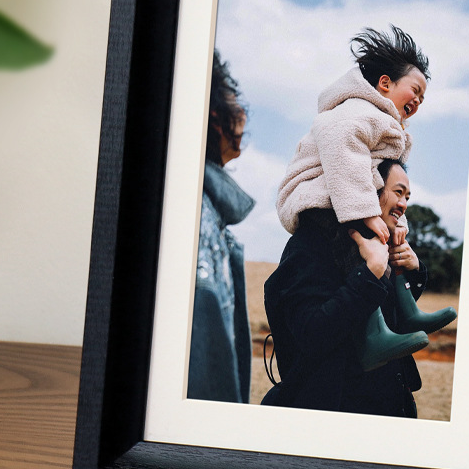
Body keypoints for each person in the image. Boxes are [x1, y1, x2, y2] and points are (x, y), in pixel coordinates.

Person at [275, 26, 455, 370]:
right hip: (319, 202)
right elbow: (342, 146)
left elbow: (375, 179)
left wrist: (397, 227)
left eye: (423, 99)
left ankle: (406, 311)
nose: (418, 101)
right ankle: (373, 336)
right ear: (385, 84)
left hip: (344, 201)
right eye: (415, 90)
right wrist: (367, 212)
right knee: (362, 255)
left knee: (378, 250)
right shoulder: (355, 110)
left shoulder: (386, 127)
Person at [263, 160, 437, 417]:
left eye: (407, 197)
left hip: (389, 412)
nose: (403, 204)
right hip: (334, 416)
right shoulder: (310, 245)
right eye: (398, 192)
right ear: (369, 189)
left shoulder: (376, 246)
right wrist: (369, 273)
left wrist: (413, 270)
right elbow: (311, 333)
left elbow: (392, 319)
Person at [187, 50, 255, 403]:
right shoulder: (195, 216)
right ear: (213, 114)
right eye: (231, 96)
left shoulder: (204, 206)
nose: (242, 112)